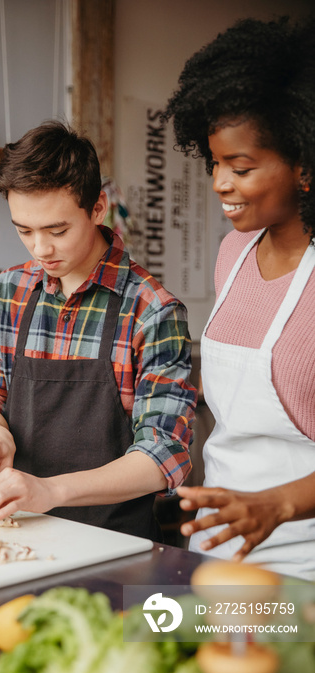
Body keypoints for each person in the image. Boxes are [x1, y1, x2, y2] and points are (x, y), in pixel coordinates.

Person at [0, 120, 197, 540]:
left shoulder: (152, 310)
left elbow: (164, 453)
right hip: (15, 535)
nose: (40, 249)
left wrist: (48, 490)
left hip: (115, 544)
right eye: (24, 230)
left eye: (57, 230)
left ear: (98, 208)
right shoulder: (9, 290)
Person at [162, 16, 315, 579]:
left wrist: (275, 504)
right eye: (215, 163)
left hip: (302, 557)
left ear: (303, 167)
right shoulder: (234, 254)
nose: (219, 183)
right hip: (217, 545)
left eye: (240, 167)